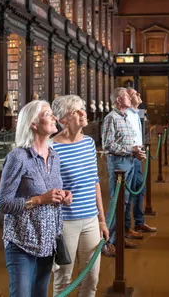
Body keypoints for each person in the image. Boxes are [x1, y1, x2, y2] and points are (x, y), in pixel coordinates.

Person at [0, 100, 72, 297]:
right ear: (33, 123)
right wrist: (39, 200)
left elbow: (53, 192)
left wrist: (63, 197)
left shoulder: (54, 156)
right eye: (48, 114)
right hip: (22, 243)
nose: (54, 117)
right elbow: (3, 204)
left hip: (47, 242)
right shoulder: (18, 157)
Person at [50, 95, 109, 297]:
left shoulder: (89, 144)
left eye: (82, 108)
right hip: (65, 222)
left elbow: (95, 183)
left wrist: (102, 220)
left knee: (91, 278)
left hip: (91, 220)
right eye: (76, 111)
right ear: (62, 119)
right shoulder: (52, 148)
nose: (83, 113)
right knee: (63, 278)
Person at [101, 87, 146, 257]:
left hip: (128, 162)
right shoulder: (111, 118)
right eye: (126, 96)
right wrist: (130, 150)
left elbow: (127, 142)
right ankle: (108, 242)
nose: (129, 97)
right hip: (119, 165)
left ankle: (119, 237)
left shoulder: (126, 116)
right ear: (119, 100)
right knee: (117, 203)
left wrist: (135, 151)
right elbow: (108, 145)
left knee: (125, 203)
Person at [124, 88, 157, 240]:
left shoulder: (138, 113)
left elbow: (141, 132)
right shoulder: (125, 115)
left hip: (137, 156)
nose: (139, 95)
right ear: (128, 98)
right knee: (126, 194)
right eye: (135, 94)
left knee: (140, 189)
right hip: (129, 157)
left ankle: (139, 222)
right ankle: (125, 227)